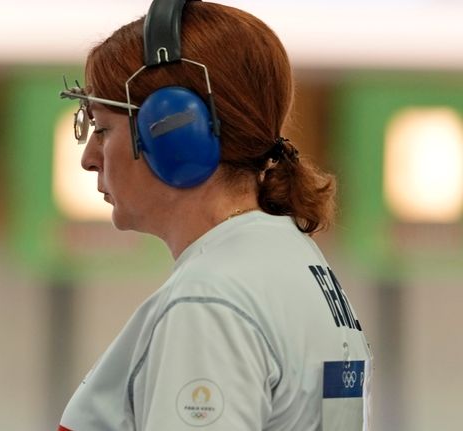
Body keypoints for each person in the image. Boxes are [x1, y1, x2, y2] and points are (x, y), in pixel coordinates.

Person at [57, 1, 372, 430]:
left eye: (103, 128)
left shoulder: (209, 300)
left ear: (173, 132)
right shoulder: (295, 262)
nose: (90, 159)